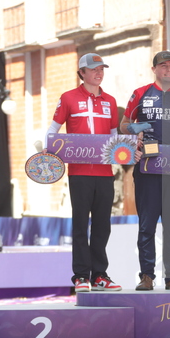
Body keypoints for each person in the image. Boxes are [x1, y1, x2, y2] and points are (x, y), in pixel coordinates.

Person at [120, 51, 170, 291]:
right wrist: (135, 132)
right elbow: (123, 124)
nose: (168, 70)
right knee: (147, 225)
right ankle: (146, 276)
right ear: (154, 69)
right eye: (163, 66)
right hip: (147, 167)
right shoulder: (140, 93)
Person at [44, 53, 121, 293]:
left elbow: (115, 138)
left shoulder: (110, 100)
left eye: (101, 69)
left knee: (102, 225)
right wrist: (50, 152)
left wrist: (128, 150)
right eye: (94, 69)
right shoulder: (68, 98)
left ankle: (100, 275)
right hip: (78, 173)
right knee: (80, 224)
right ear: (82, 72)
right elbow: (52, 133)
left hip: (105, 173)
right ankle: (80, 276)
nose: (99, 73)